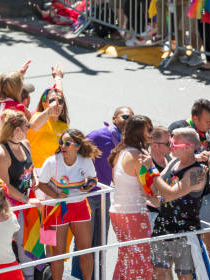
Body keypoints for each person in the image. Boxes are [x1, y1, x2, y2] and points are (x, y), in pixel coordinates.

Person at [169, 99, 210, 280]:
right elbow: (172, 155)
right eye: (207, 121)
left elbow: (206, 156)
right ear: (194, 118)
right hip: (183, 197)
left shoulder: (205, 131)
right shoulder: (179, 129)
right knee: (181, 244)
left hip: (205, 194)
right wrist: (195, 156)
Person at [71, 106, 133, 280]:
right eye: (125, 116)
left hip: (105, 196)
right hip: (88, 196)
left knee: (99, 243)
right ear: (114, 119)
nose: (128, 121)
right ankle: (78, 277)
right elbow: (77, 154)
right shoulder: (98, 135)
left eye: (131, 118)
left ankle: (95, 277)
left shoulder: (128, 142)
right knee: (84, 244)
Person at [140, 128, 207, 280]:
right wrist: (148, 171)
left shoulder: (196, 173)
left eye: (175, 145)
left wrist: (152, 169)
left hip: (184, 232)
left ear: (189, 147)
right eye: (170, 143)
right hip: (162, 226)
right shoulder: (174, 162)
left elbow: (169, 194)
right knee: (159, 272)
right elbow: (155, 188)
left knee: (184, 275)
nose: (171, 147)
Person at [38, 129, 101, 280]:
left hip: (79, 206)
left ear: (77, 146)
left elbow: (93, 179)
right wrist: (56, 195)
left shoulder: (85, 161)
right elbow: (41, 184)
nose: (63, 146)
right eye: (61, 143)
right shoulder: (52, 161)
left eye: (67, 143)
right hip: (56, 208)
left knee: (85, 250)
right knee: (58, 253)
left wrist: (88, 187)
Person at [0, 110, 41, 280]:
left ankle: (30, 276)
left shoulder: (25, 143)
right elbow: (5, 185)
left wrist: (35, 178)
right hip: (8, 205)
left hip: (26, 201)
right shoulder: (0, 153)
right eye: (26, 126)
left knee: (30, 243)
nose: (29, 129)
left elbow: (30, 167)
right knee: (14, 244)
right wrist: (26, 200)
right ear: (17, 130)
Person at [107, 115, 154, 280]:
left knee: (125, 259)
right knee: (142, 264)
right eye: (149, 129)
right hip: (133, 214)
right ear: (139, 133)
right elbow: (149, 190)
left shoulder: (120, 152)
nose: (151, 133)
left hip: (117, 212)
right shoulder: (139, 157)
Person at [27, 87, 69, 169]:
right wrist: (49, 109)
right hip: (36, 170)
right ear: (44, 104)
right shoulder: (38, 117)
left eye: (60, 101)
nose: (56, 104)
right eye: (52, 101)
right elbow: (34, 126)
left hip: (55, 172)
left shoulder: (64, 126)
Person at [146, 126, 173, 231]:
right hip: (153, 218)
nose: (171, 146)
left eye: (171, 141)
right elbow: (149, 195)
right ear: (154, 146)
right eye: (168, 143)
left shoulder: (169, 158)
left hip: (169, 215)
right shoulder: (146, 165)